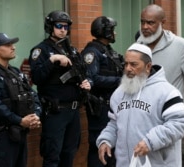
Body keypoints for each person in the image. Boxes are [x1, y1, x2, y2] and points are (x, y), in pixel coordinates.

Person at [96, 43, 184, 167]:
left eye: (134, 64)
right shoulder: (119, 93)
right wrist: (106, 140)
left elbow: (179, 123)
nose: (128, 68)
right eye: (126, 64)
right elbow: (114, 123)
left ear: (148, 66)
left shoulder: (167, 92)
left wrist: (150, 141)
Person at [28, 10, 91, 167]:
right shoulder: (41, 50)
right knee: (52, 155)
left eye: (66, 27)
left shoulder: (72, 50)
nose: (63, 30)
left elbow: (83, 73)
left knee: (69, 153)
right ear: (50, 27)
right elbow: (36, 77)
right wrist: (52, 60)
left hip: (73, 110)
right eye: (59, 26)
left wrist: (86, 83)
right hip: (55, 111)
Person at [0, 32, 42, 167]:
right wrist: (20, 120)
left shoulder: (15, 72)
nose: (13, 47)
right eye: (8, 45)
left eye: (13, 44)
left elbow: (32, 95)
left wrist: (35, 116)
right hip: (2, 136)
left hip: (20, 133)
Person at [136, 4, 184, 140]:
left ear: (163, 23)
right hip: (142, 121)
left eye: (150, 23)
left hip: (170, 120)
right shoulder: (138, 47)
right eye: (142, 22)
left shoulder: (180, 46)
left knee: (168, 161)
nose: (144, 27)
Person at [81, 16, 124, 167]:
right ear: (105, 32)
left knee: (111, 148)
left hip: (112, 106)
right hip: (100, 108)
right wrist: (119, 81)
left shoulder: (109, 51)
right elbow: (92, 78)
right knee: (98, 146)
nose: (115, 33)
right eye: (112, 30)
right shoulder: (92, 53)